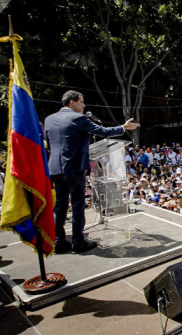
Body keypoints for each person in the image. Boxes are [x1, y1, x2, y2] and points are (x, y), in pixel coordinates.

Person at [44, 90, 139, 254]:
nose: (84, 105)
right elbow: (102, 131)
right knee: (77, 205)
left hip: (55, 168)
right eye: (81, 101)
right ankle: (78, 242)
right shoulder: (78, 118)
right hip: (73, 167)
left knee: (59, 206)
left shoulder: (49, 119)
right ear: (72, 102)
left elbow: (50, 144)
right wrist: (123, 127)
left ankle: (58, 242)